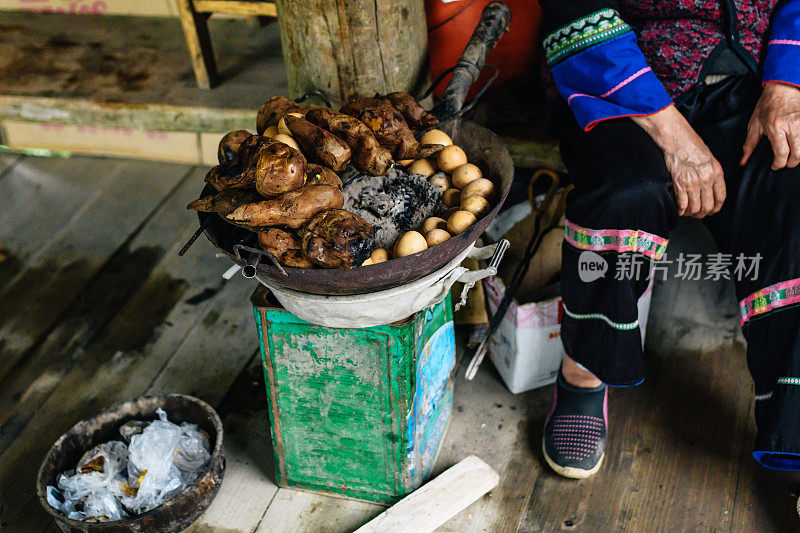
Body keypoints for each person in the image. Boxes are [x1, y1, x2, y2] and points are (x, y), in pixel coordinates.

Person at [537, 0, 800, 479]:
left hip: (756, 78)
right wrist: (672, 135)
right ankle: (584, 368)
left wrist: (787, 82)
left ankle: (794, 407)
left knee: (795, 188)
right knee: (627, 190)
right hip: (621, 76)